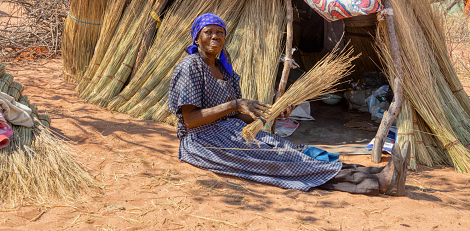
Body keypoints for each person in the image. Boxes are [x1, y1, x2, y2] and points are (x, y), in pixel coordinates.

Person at [168, 13, 410, 196]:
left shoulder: (224, 67)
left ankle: (372, 172)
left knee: (291, 150)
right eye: (209, 32)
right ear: (197, 37)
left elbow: (237, 115)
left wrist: (270, 112)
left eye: (220, 33)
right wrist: (234, 104)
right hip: (202, 141)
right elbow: (190, 120)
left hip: (231, 131)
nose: (216, 37)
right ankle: (377, 184)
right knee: (279, 161)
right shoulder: (190, 67)